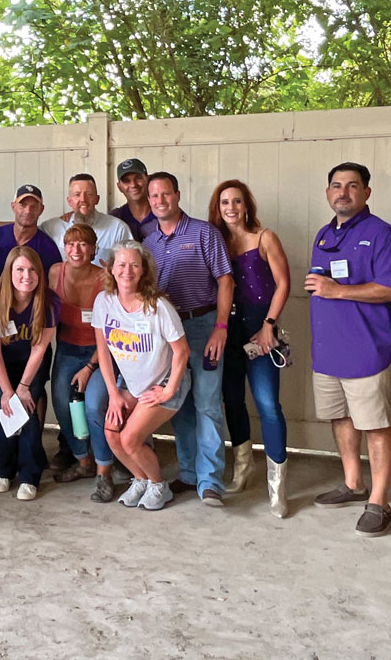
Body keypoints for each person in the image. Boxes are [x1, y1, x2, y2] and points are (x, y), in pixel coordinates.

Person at [307, 162, 391, 537]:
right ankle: (353, 483)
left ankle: (379, 501)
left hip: (367, 349)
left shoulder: (382, 234)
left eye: (352, 186)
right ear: (328, 193)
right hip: (328, 350)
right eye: (336, 186)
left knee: (375, 424)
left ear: (367, 192)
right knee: (340, 417)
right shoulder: (323, 235)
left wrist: (338, 291)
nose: (343, 192)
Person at [143, 171, 233, 506]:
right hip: (167, 335)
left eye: (166, 194)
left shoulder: (203, 233)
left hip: (203, 326)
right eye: (154, 196)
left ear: (178, 195)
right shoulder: (148, 243)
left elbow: (225, 281)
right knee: (177, 405)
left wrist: (220, 327)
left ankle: (210, 483)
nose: (160, 200)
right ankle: (190, 473)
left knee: (207, 403)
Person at [208, 180, 292, 518]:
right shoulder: (215, 243)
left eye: (237, 201)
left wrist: (269, 325)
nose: (231, 207)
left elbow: (283, 283)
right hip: (227, 331)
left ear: (247, 206)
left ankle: (277, 485)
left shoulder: (265, 238)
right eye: (224, 202)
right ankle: (243, 467)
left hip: (261, 331)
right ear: (218, 208)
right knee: (231, 400)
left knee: (268, 403)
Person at [0, 184, 63, 469]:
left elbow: (50, 285)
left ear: (41, 210)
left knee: (35, 389)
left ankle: (32, 446)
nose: (28, 210)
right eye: (23, 204)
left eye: (34, 205)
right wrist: (0, 291)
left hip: (31, 330)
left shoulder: (47, 247)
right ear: (14, 207)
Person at [92, 241, 191, 511]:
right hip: (132, 383)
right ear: (111, 268)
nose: (127, 271)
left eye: (134, 265)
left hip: (165, 381)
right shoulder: (104, 302)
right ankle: (141, 479)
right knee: (112, 433)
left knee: (130, 439)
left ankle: (159, 485)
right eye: (122, 264)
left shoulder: (158, 306)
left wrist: (169, 390)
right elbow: (103, 352)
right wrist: (113, 394)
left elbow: (182, 351)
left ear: (143, 270)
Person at [0, 247, 58, 500]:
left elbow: (40, 347)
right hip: (1, 362)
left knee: (28, 412)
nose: (27, 275)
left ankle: (29, 476)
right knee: (5, 410)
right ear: (9, 272)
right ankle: (4, 471)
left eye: (33, 269)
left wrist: (23, 387)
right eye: (20, 269)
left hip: (32, 362)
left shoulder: (49, 301)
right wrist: (7, 390)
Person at [47, 225, 113, 501]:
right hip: (66, 349)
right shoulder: (55, 272)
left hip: (99, 353)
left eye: (83, 244)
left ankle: (104, 472)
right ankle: (83, 461)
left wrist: (90, 367)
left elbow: (110, 331)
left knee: (94, 406)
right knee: (63, 404)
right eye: (71, 244)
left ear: (94, 249)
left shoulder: (105, 278)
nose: (76, 250)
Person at [39, 173, 131, 265]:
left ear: (97, 199)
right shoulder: (52, 227)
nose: (83, 199)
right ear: (70, 201)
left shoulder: (118, 229)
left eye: (88, 194)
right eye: (77, 194)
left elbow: (131, 261)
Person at [111, 158, 158, 240]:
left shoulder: (164, 212)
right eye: (126, 181)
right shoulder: (115, 218)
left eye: (138, 178)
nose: (133, 185)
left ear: (148, 179)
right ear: (119, 187)